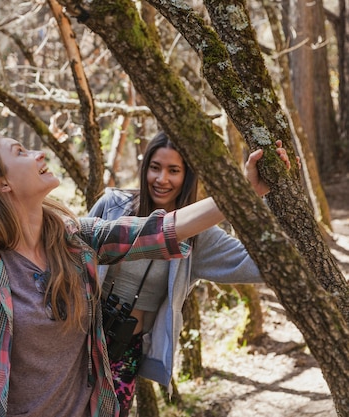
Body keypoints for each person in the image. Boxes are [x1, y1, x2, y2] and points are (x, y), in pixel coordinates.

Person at [0, 128, 288, 417]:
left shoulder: (76, 241)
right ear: (2, 184)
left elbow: (160, 230)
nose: (39, 153)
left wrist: (245, 190)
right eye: (20, 152)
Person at [89, 131, 291, 416]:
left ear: (188, 177)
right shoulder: (113, 205)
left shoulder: (198, 235)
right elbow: (71, 257)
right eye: (155, 167)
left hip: (123, 352)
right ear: (144, 167)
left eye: (174, 171)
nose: (162, 179)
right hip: (79, 337)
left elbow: (260, 265)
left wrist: (270, 196)